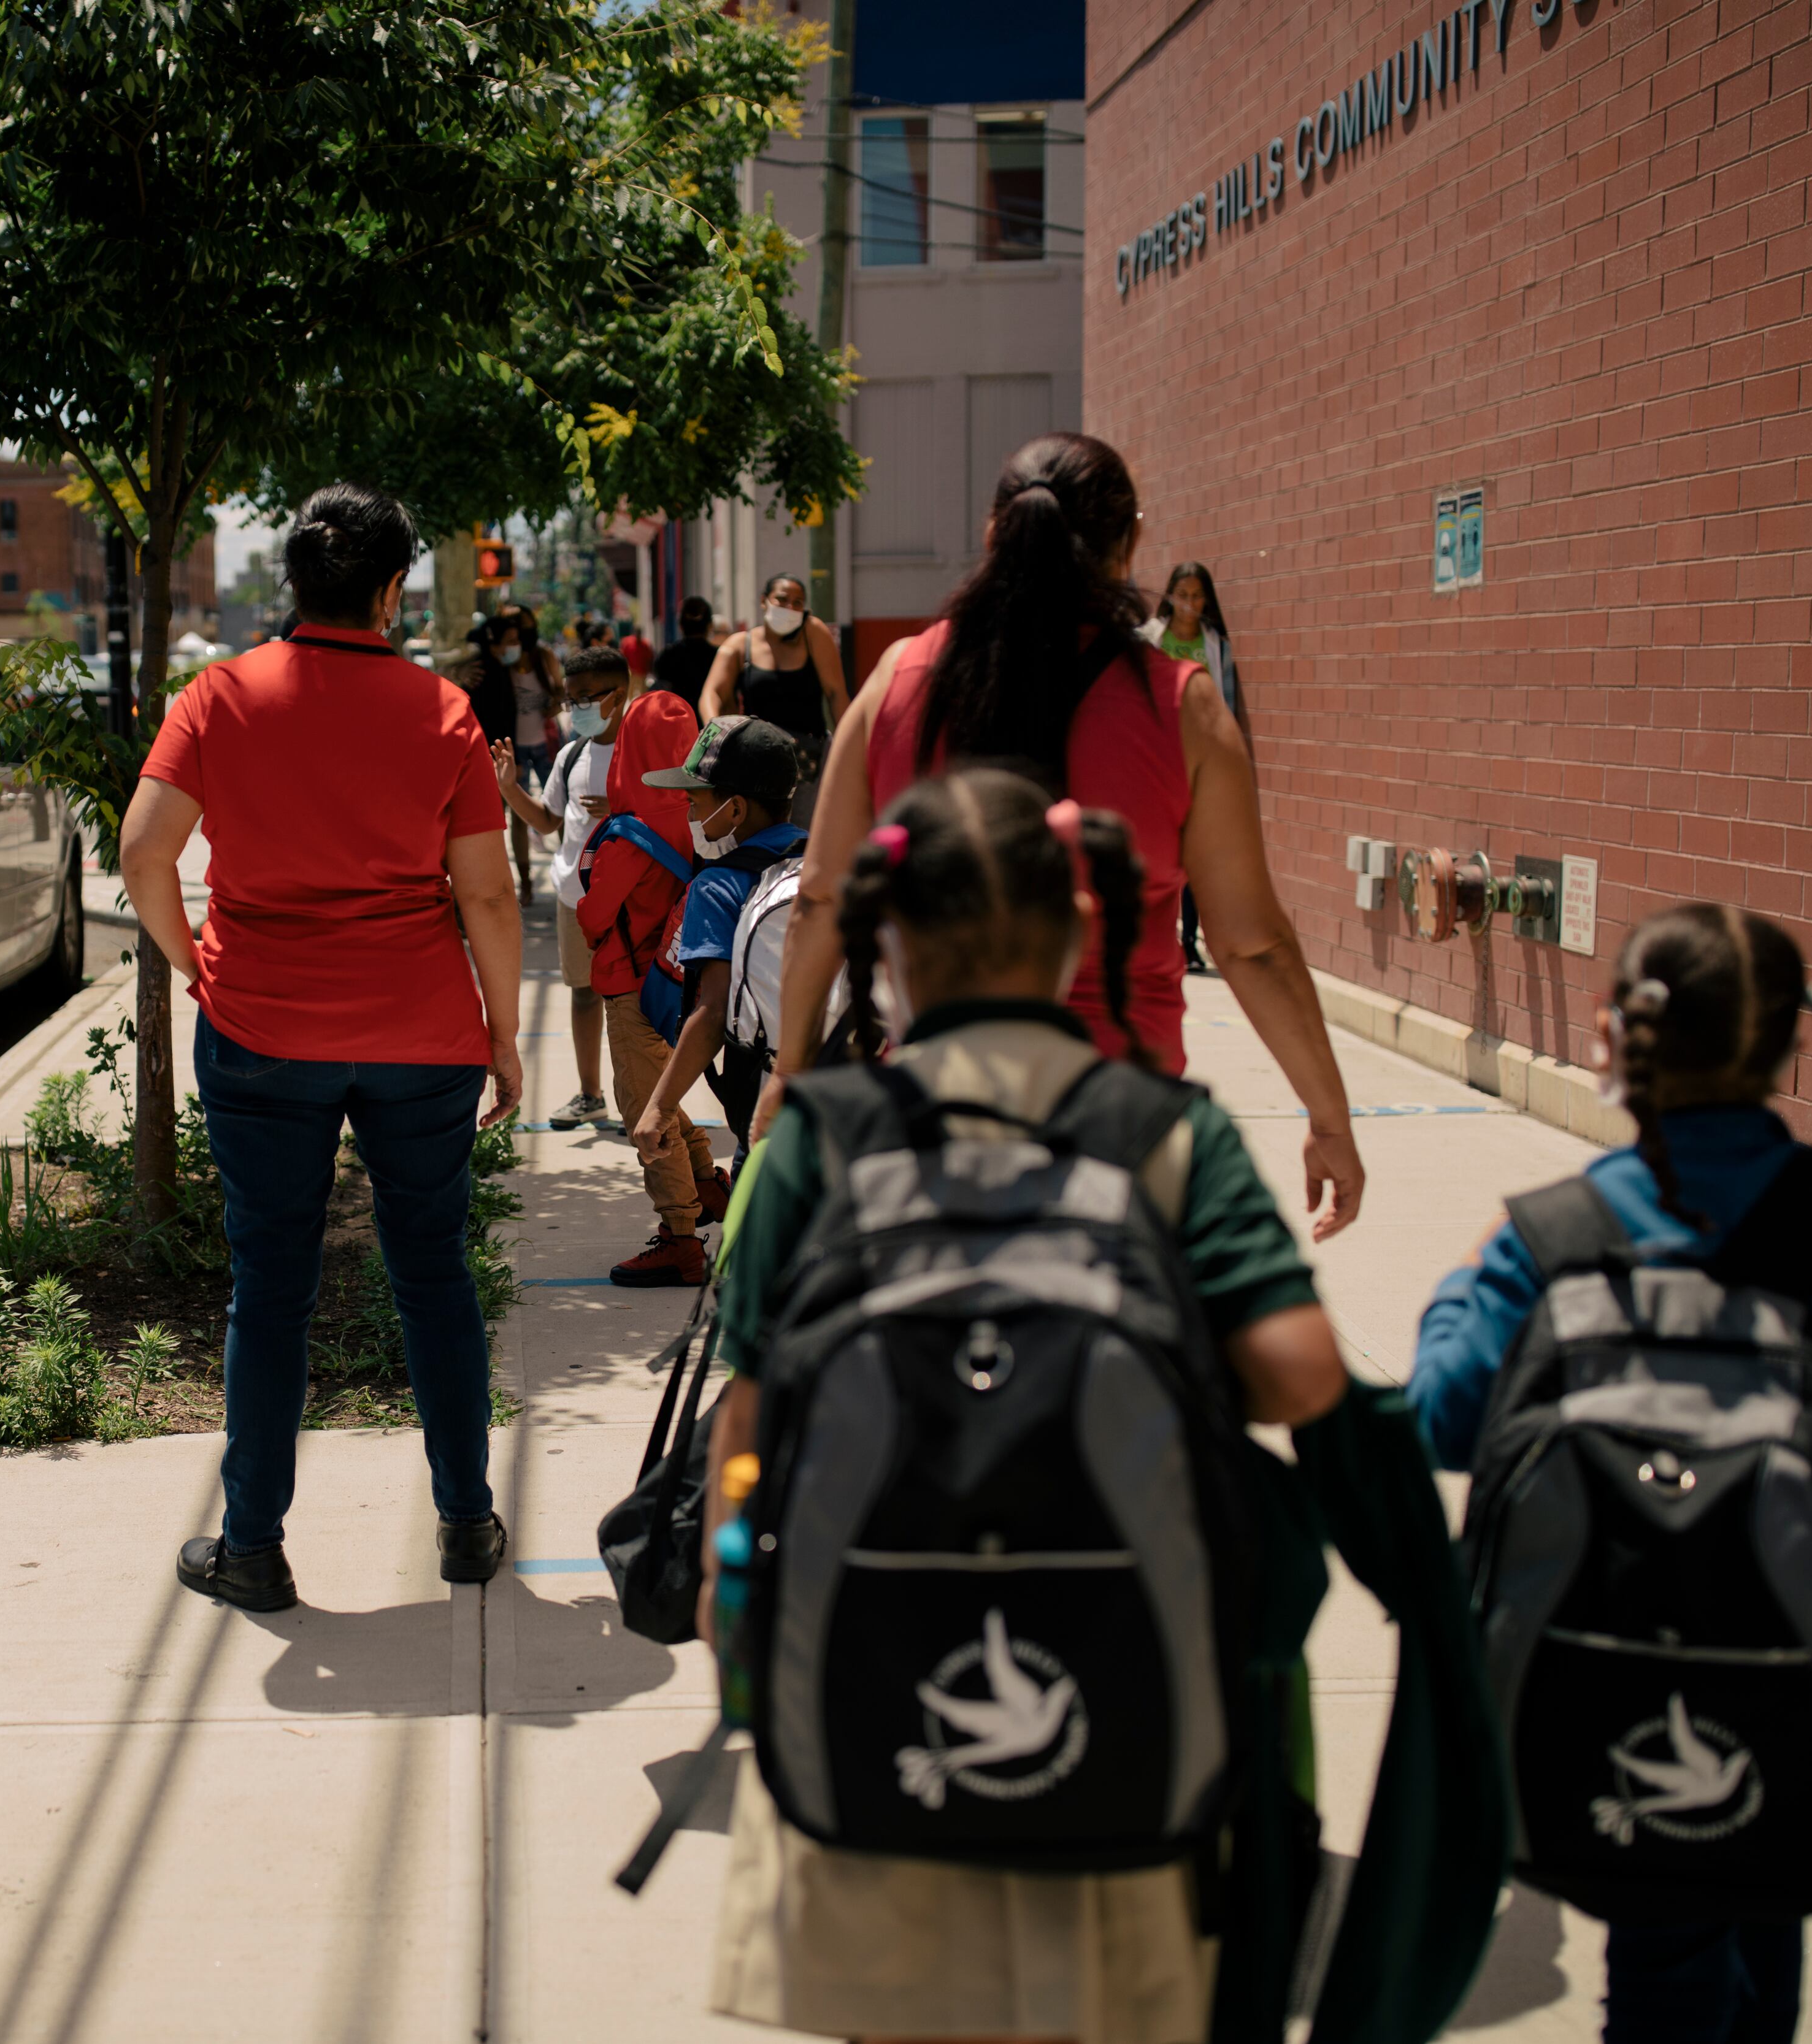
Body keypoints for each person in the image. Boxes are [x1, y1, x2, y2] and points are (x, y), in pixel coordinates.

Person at [697, 768, 1499, 2044]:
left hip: (878, 1699)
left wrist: (733, 1604)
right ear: (1078, 932)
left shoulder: (822, 1140)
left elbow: (748, 1420)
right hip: (1130, 1700)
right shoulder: (1162, 1135)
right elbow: (1299, 1372)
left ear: (891, 944)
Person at [1410, 903, 1812, 2044]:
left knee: (1663, 1950)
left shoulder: (1555, 1231)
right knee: (1763, 1904)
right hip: (1805, 1635)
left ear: (1612, 1035)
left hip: (1604, 1651)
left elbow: (1440, 1419)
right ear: (1789, 1047)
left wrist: (1466, 1273)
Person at [763, 432, 1367, 1246]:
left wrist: (790, 1071)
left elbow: (822, 898)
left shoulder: (899, 679)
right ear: (1130, 547)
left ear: (992, 535)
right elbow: (1250, 943)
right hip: (1122, 1136)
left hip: (939, 1121)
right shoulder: (1179, 709)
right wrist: (1328, 1116)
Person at [121, 481, 523, 1611]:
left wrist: (193, 961)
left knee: (273, 1281)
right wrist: (506, 1038)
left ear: (293, 579)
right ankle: (467, 1522)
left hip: (261, 1028)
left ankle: (253, 1543)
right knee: (432, 1270)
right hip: (422, 1030)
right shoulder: (442, 711)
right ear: (393, 589)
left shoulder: (220, 695)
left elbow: (145, 852)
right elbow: (487, 897)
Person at [576, 679, 721, 1285]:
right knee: (662, 1093)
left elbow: (591, 916)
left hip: (628, 984)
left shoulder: (627, 833)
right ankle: (709, 1185)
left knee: (643, 1108)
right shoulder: (703, 819)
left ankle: (679, 1240)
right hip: (679, 984)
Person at [626, 715, 806, 1177]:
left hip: (765, 1097)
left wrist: (660, 1108)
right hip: (841, 1083)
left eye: (694, 801)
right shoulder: (823, 860)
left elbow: (713, 1008)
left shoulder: (717, 886)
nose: (688, 814)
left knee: (753, 1242)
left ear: (736, 810)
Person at [494, 644, 635, 1131]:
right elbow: (551, 819)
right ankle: (591, 1093)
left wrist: (623, 810)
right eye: (570, 699)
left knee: (636, 1001)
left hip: (633, 901)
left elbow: (673, 816)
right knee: (583, 993)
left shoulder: (644, 749)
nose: (575, 709)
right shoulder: (573, 755)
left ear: (619, 696)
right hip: (576, 898)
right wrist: (511, 789)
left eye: (585, 698)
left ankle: (646, 1095)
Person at [1150, 561, 1242, 973]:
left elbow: (1226, 706)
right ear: (1170, 596)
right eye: (1182, 595)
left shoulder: (1215, 645)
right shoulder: (1149, 641)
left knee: (1194, 856)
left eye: (1197, 596)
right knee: (1159, 850)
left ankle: (1189, 941)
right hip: (1156, 758)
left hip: (1197, 762)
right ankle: (1160, 936)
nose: (1190, 604)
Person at [700, 572, 848, 818]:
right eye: (782, 599)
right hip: (756, 760)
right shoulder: (740, 645)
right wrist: (715, 731)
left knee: (805, 837)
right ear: (764, 601)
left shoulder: (813, 635)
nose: (790, 607)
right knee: (762, 834)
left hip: (808, 760)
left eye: (797, 603)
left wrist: (849, 743)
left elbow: (836, 693)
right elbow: (712, 692)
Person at [461, 600, 556, 903]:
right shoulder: (487, 671)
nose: (519, 641)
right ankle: (505, 885)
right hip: (501, 757)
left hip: (530, 750)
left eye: (522, 632)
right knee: (502, 821)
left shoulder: (536, 660)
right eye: (512, 638)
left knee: (556, 813)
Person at [651, 592, 720, 705]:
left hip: (677, 719)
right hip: (711, 721)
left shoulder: (667, 656)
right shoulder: (719, 657)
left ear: (680, 625)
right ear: (710, 625)